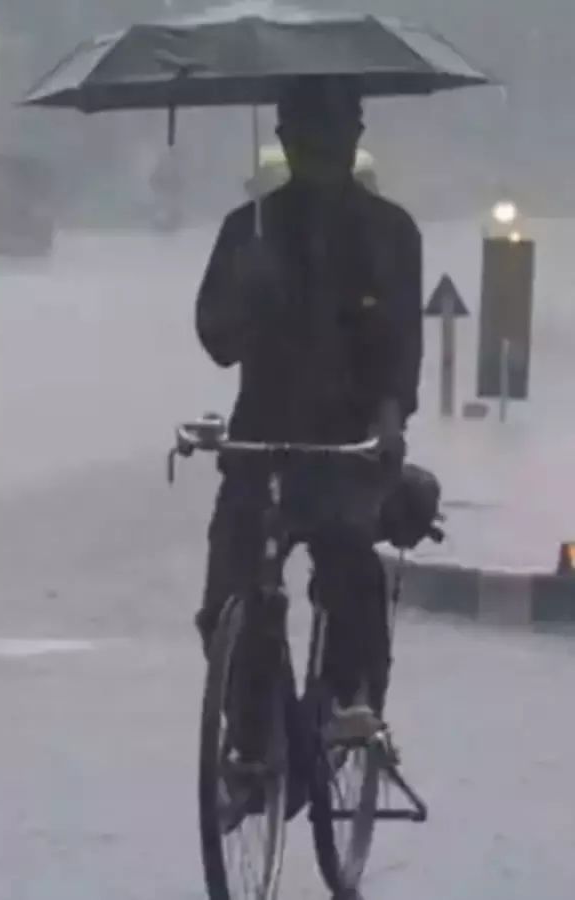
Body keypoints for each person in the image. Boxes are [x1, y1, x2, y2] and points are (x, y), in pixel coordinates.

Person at [193, 76, 424, 748]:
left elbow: (402, 345)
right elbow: (217, 340)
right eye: (305, 137)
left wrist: (388, 422)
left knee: (351, 575)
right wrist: (246, 291)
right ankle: (256, 736)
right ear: (284, 140)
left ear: (355, 137)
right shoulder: (247, 231)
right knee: (230, 596)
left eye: (333, 135)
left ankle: (349, 704)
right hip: (260, 444)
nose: (320, 150)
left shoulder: (390, 234)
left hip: (348, 446)